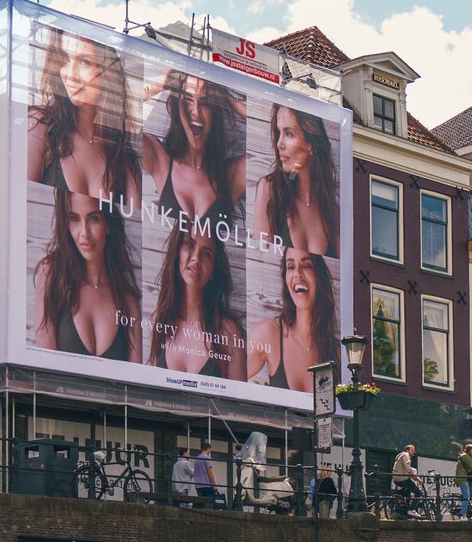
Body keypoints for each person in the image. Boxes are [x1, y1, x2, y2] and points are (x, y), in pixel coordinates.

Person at [24, 28, 138, 204]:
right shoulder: (40, 127)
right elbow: (22, 209)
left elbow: (136, 226)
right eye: (64, 59)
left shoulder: (123, 156)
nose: (70, 75)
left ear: (109, 73)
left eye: (84, 62)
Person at [31, 193, 140, 359]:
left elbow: (135, 380)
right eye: (74, 219)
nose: (84, 234)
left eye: (93, 218)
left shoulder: (128, 300)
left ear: (107, 224)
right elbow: (44, 365)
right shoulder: (51, 275)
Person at [142, 70, 246, 231]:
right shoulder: (159, 159)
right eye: (188, 99)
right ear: (178, 105)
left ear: (215, 111)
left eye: (205, 102)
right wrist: (160, 84)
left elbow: (270, 126)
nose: (196, 111)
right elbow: (120, 113)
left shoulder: (231, 176)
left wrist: (226, 99)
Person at [149, 228, 243, 378]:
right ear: (177, 251)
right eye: (189, 244)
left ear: (214, 268)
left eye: (207, 254)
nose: (196, 258)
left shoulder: (228, 332)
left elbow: (238, 399)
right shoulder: (159, 321)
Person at [247, 249, 340, 393]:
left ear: (319, 276)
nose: (297, 274)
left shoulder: (337, 352)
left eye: (307, 265)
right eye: (290, 267)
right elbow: (228, 380)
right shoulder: (268, 333)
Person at [252, 103, 338, 256]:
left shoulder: (332, 213)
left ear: (311, 144)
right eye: (279, 133)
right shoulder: (270, 190)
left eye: (289, 134)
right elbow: (261, 257)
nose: (279, 144)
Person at [391, 443, 418, 510]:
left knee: (408, 491)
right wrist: (415, 476)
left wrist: (416, 477)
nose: (414, 452)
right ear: (407, 450)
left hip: (397, 479)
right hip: (402, 478)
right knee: (418, 493)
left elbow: (406, 470)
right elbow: (407, 468)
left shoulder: (401, 455)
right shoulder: (406, 455)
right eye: (412, 450)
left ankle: (405, 509)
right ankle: (411, 510)